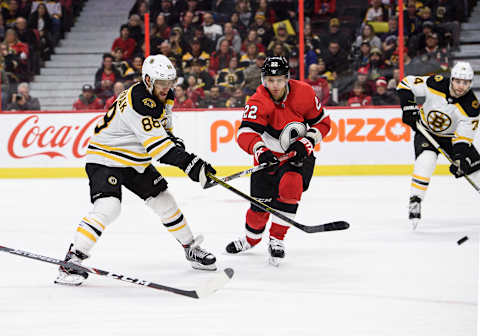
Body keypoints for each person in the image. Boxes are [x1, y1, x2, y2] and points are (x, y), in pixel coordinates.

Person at [55, 55, 218, 286]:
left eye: (170, 81)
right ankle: (71, 261)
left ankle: (190, 248)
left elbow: (164, 132)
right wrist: (192, 165)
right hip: (105, 158)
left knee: (164, 201)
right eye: (162, 82)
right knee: (109, 207)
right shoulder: (139, 101)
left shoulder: (165, 96)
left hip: (135, 160)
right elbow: (160, 149)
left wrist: (181, 151)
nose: (167, 87)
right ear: (148, 80)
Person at [225, 56, 331, 265]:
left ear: (287, 79)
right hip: (269, 160)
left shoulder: (304, 93)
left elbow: (323, 123)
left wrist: (307, 142)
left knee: (291, 188)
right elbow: (245, 133)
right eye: (270, 80)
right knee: (258, 210)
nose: (275, 85)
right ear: (264, 80)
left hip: (296, 156)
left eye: (280, 80)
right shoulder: (258, 101)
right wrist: (260, 150)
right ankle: (250, 239)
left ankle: (277, 239)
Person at [397, 61, 480, 229]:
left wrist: (460, 159)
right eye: (458, 81)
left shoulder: (471, 107)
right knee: (426, 161)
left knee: (475, 171)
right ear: (452, 79)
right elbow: (406, 84)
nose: (460, 86)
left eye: (465, 83)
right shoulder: (435, 83)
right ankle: (415, 201)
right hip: (426, 131)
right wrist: (408, 107)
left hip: (451, 138)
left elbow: (463, 138)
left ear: (470, 83)